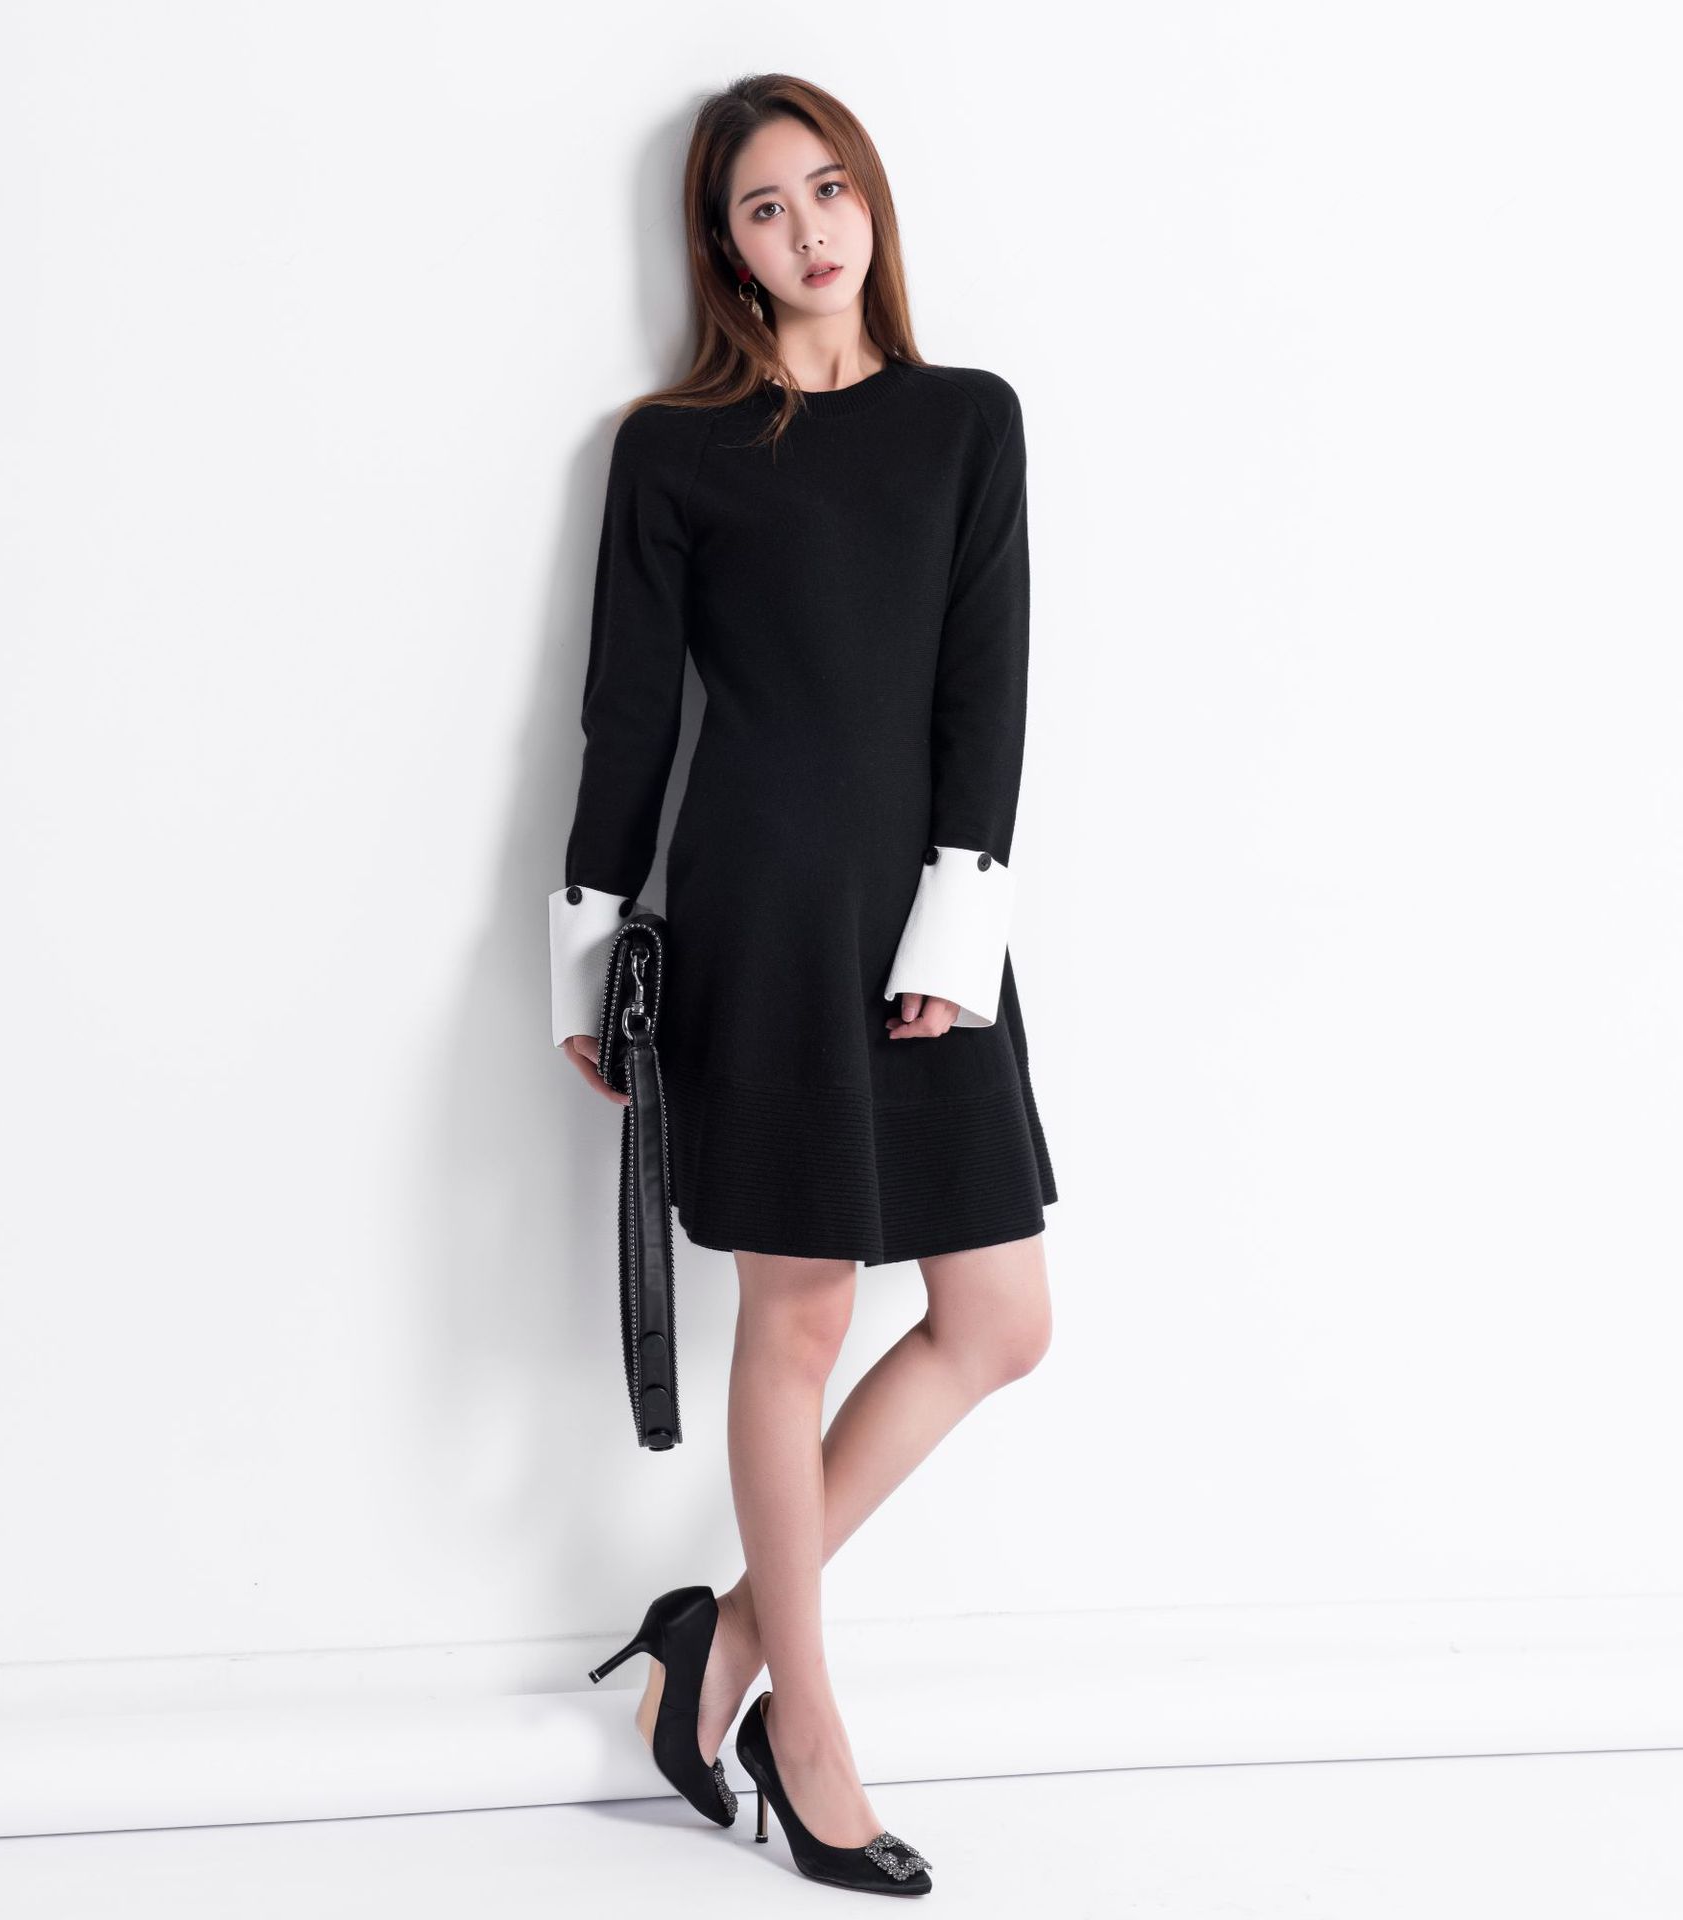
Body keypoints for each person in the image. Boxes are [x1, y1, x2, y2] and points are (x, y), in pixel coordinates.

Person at [557, 73, 1058, 1896]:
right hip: (759, 914)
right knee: (800, 1319)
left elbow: (984, 694)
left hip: (923, 913)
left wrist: (958, 924)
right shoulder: (675, 450)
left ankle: (725, 1652)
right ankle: (813, 1730)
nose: (810, 230)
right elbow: (628, 718)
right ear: (727, 248)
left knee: (998, 1317)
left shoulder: (966, 421)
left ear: (872, 204)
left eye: (830, 189)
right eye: (766, 207)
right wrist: (587, 951)